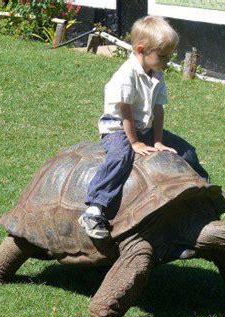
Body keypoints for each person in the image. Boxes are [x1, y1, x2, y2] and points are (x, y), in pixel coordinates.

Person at [78, 15, 209, 240]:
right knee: (121, 157)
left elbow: (158, 110)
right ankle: (94, 209)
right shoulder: (126, 75)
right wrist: (135, 142)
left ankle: (205, 192)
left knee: (186, 150)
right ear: (141, 50)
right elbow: (125, 113)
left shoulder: (156, 73)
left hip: (145, 128)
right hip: (118, 126)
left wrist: (157, 140)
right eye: (163, 56)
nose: (167, 61)